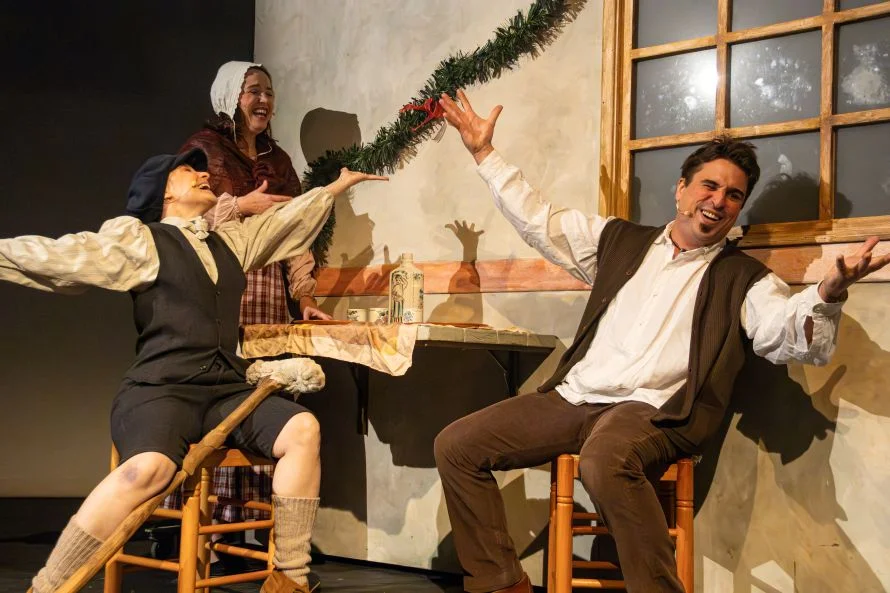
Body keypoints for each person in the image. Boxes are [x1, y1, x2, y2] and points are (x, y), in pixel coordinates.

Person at [432, 89, 890, 593]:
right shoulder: (618, 241)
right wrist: (484, 152)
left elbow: (785, 336)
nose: (718, 201)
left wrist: (828, 292)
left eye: (733, 195)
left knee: (605, 460)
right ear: (681, 189)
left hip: (657, 410)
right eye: (709, 186)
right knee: (457, 445)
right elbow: (540, 221)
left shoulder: (744, 278)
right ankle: (502, 584)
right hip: (577, 395)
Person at [0, 147, 386, 593]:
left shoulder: (229, 241)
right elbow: (64, 255)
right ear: (162, 194)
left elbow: (283, 223)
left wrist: (334, 188)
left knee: (303, 429)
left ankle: (289, 579)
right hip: (162, 388)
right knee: (148, 470)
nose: (203, 175)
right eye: (187, 171)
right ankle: (47, 586)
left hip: (225, 389)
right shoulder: (143, 241)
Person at [160, 60, 329, 557]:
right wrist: (240, 206)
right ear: (230, 96)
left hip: (268, 293)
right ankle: (205, 530)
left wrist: (305, 296)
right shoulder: (204, 150)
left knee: (264, 395)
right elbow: (180, 217)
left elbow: (296, 232)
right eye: (253, 91)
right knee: (224, 392)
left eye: (269, 92)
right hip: (221, 283)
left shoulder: (279, 161)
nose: (264, 100)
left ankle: (256, 525)